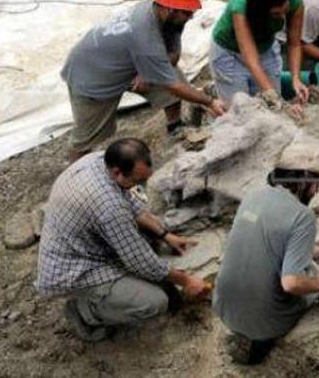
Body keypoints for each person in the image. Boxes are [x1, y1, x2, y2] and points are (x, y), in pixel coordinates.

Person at [35, 138, 210, 342]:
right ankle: (85, 312)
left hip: (81, 241)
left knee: (148, 236)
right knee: (155, 302)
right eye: (137, 181)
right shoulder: (108, 206)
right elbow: (140, 262)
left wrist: (165, 234)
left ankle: (106, 296)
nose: (141, 187)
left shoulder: (99, 160)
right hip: (74, 270)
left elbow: (130, 204)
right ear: (118, 172)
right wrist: (187, 280)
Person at [212, 146, 319, 365]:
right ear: (302, 181)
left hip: (223, 306)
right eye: (317, 183)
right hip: (266, 320)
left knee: (297, 264)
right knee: (310, 274)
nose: (318, 190)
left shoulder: (253, 196)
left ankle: (245, 328)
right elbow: (291, 284)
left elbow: (286, 246)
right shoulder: (302, 216)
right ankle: (262, 338)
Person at [61, 0, 226, 162]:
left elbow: (173, 54)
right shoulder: (145, 34)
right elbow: (173, 86)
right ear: (170, 8)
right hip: (92, 75)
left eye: (192, 11)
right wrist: (208, 101)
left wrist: (146, 73)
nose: (190, 17)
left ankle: (175, 128)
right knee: (87, 137)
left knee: (172, 74)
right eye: (187, 12)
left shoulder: (162, 16)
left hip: (125, 61)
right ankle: (75, 172)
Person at [209, 0, 308, 109]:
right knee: (241, 109)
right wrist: (273, 95)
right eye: (276, 14)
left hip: (265, 48)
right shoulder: (240, 6)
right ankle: (215, 91)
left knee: (272, 105)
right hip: (230, 53)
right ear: (260, 11)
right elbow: (252, 61)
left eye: (285, 11)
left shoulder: (294, 0)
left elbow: (294, 43)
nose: (283, 17)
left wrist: (295, 79)